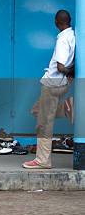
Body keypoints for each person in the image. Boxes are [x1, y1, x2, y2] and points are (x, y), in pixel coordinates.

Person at [23, 10, 75, 169]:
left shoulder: (62, 40)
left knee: (44, 123)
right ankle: (66, 109)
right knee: (36, 110)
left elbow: (60, 67)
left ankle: (42, 160)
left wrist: (67, 72)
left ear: (56, 22)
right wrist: (71, 73)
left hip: (52, 84)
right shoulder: (73, 36)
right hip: (61, 83)